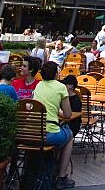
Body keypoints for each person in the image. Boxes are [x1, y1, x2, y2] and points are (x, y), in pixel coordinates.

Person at [33, 61, 74, 189]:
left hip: (32, 133)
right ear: (56, 74)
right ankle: (61, 177)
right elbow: (68, 114)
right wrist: (58, 111)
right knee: (69, 135)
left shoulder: (38, 85)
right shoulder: (61, 87)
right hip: (49, 134)